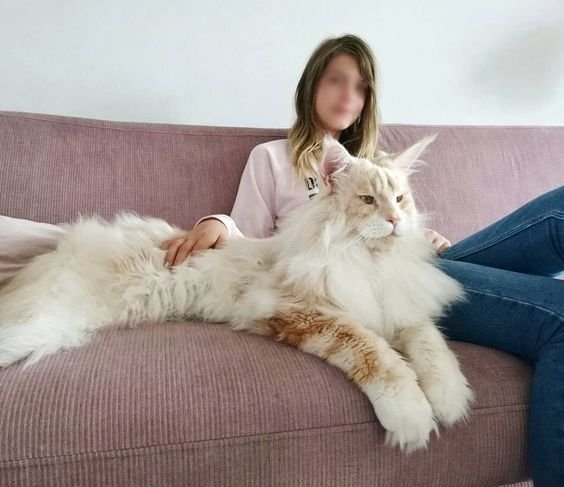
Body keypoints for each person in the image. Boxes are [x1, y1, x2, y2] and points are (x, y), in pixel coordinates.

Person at [160, 34, 563, 486]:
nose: (348, 94)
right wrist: (215, 222)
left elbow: (396, 217)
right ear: (311, 85)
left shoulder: (379, 166)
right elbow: (251, 240)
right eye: (336, 80)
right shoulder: (273, 157)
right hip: (345, 283)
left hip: (410, 269)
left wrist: (419, 235)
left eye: (360, 87)